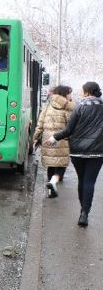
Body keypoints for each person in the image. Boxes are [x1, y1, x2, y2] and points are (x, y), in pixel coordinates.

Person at [46, 81, 103, 227]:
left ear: (86, 92)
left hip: (78, 152)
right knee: (90, 182)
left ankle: (83, 209)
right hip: (97, 153)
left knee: (82, 180)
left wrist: (54, 138)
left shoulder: (79, 107)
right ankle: (84, 213)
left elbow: (69, 130)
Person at [32, 85, 74, 198]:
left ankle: (51, 192)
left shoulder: (47, 105)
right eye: (69, 93)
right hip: (61, 140)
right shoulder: (68, 107)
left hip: (47, 140)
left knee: (51, 165)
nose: (70, 95)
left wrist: (35, 138)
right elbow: (71, 126)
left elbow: (40, 123)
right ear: (64, 94)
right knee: (61, 166)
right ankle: (53, 182)